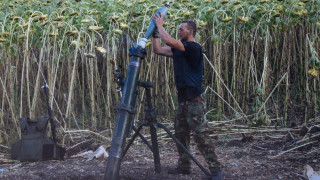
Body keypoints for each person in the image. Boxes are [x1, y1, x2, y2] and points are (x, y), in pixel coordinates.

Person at [151, 13, 223, 180]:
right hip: (183, 99)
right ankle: (184, 166)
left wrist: (160, 24)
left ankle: (216, 169)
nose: (178, 31)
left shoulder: (193, 47)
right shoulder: (179, 49)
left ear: (190, 32)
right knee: (180, 134)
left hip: (194, 99)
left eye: (181, 29)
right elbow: (158, 49)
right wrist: (155, 32)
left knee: (200, 134)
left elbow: (168, 41)